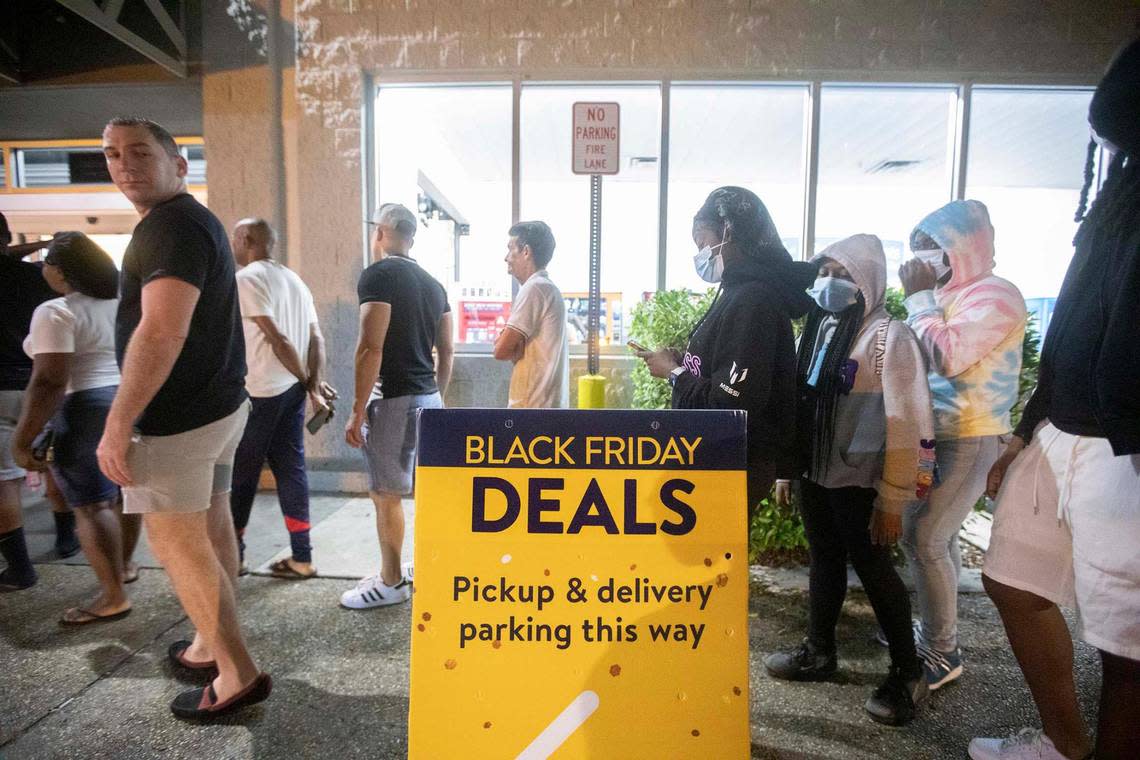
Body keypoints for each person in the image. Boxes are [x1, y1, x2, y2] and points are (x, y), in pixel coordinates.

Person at [969, 40, 1140, 760]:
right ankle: (1065, 745)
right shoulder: (1118, 192)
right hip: (1063, 427)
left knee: (1126, 641)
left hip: (1124, 441)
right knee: (1013, 579)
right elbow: (1077, 322)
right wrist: (1026, 431)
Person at [97, 116, 270, 720]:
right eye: (113, 154)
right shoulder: (191, 222)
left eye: (140, 152)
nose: (124, 163)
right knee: (212, 524)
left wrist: (119, 423)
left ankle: (235, 672)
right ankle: (208, 643)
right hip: (220, 408)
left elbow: (163, 329)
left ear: (179, 165)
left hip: (176, 420)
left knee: (177, 545)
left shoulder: (169, 227)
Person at [763, 234, 936, 727]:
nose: (830, 284)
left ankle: (908, 671)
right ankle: (819, 651)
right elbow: (802, 406)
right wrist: (789, 470)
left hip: (863, 481)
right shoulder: (819, 328)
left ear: (868, 283)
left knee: (875, 567)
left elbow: (910, 422)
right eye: (825, 273)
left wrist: (895, 497)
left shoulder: (888, 337)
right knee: (825, 560)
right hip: (818, 472)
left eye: (844, 276)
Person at [896, 200, 1027, 689]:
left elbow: (947, 356)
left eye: (933, 247)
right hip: (941, 435)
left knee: (924, 537)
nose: (924, 258)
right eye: (918, 249)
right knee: (936, 537)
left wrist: (919, 300)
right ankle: (934, 628)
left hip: (971, 435)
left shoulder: (995, 295)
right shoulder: (950, 295)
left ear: (963, 246)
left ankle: (943, 650)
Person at [637, 186, 814, 517]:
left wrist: (673, 373)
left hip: (732, 461)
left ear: (728, 231)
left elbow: (730, 402)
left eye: (703, 242)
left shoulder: (754, 300)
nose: (701, 253)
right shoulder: (738, 291)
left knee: (712, 564)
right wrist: (684, 364)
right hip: (723, 459)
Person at [11, 232, 141, 624]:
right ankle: (124, 567)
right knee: (124, 495)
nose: (43, 269)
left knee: (90, 504)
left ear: (62, 271)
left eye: (47, 262)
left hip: (82, 406)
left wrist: (22, 439)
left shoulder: (56, 312)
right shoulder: (122, 305)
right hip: (125, 400)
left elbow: (50, 380)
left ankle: (113, 596)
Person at [342, 203, 453, 609]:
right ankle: (412, 569)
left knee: (385, 494)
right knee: (424, 491)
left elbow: (371, 346)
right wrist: (436, 395)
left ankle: (390, 583)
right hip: (428, 397)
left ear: (383, 233)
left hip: (392, 398)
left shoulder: (379, 275)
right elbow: (447, 351)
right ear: (412, 236)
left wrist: (357, 409)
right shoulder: (433, 284)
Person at [229, 218, 335, 580]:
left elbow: (279, 341)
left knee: (242, 474)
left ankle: (235, 556)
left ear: (245, 239)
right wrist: (312, 385)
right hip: (290, 391)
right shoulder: (293, 279)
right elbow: (315, 339)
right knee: (291, 470)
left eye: (234, 238)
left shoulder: (246, 279)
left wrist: (311, 385)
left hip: (259, 393)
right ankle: (302, 558)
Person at [0, 216, 72, 591]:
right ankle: (66, 535)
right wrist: (43, 243)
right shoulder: (33, 279)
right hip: (38, 382)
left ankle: (19, 568)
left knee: (4, 482)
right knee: (49, 458)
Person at [493, 220, 569, 408]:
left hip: (532, 408)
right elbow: (507, 347)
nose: (506, 258)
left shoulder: (535, 289)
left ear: (526, 252)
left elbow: (500, 350)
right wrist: (513, 345)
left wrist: (512, 345)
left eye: (510, 249)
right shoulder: (547, 288)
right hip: (544, 407)